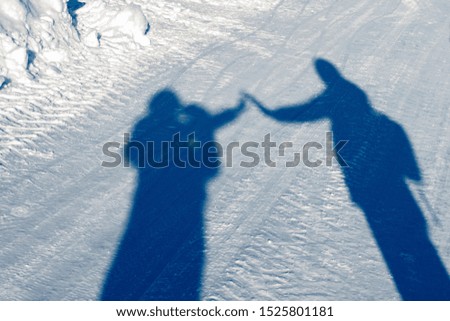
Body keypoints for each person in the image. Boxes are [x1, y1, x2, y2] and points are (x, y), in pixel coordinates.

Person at [244, 58, 450, 300]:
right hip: (384, 176)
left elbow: (305, 112)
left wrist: (273, 113)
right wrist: (411, 170)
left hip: (365, 173)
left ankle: (418, 280)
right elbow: (407, 159)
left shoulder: (337, 95)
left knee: (387, 228)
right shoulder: (355, 96)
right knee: (406, 229)